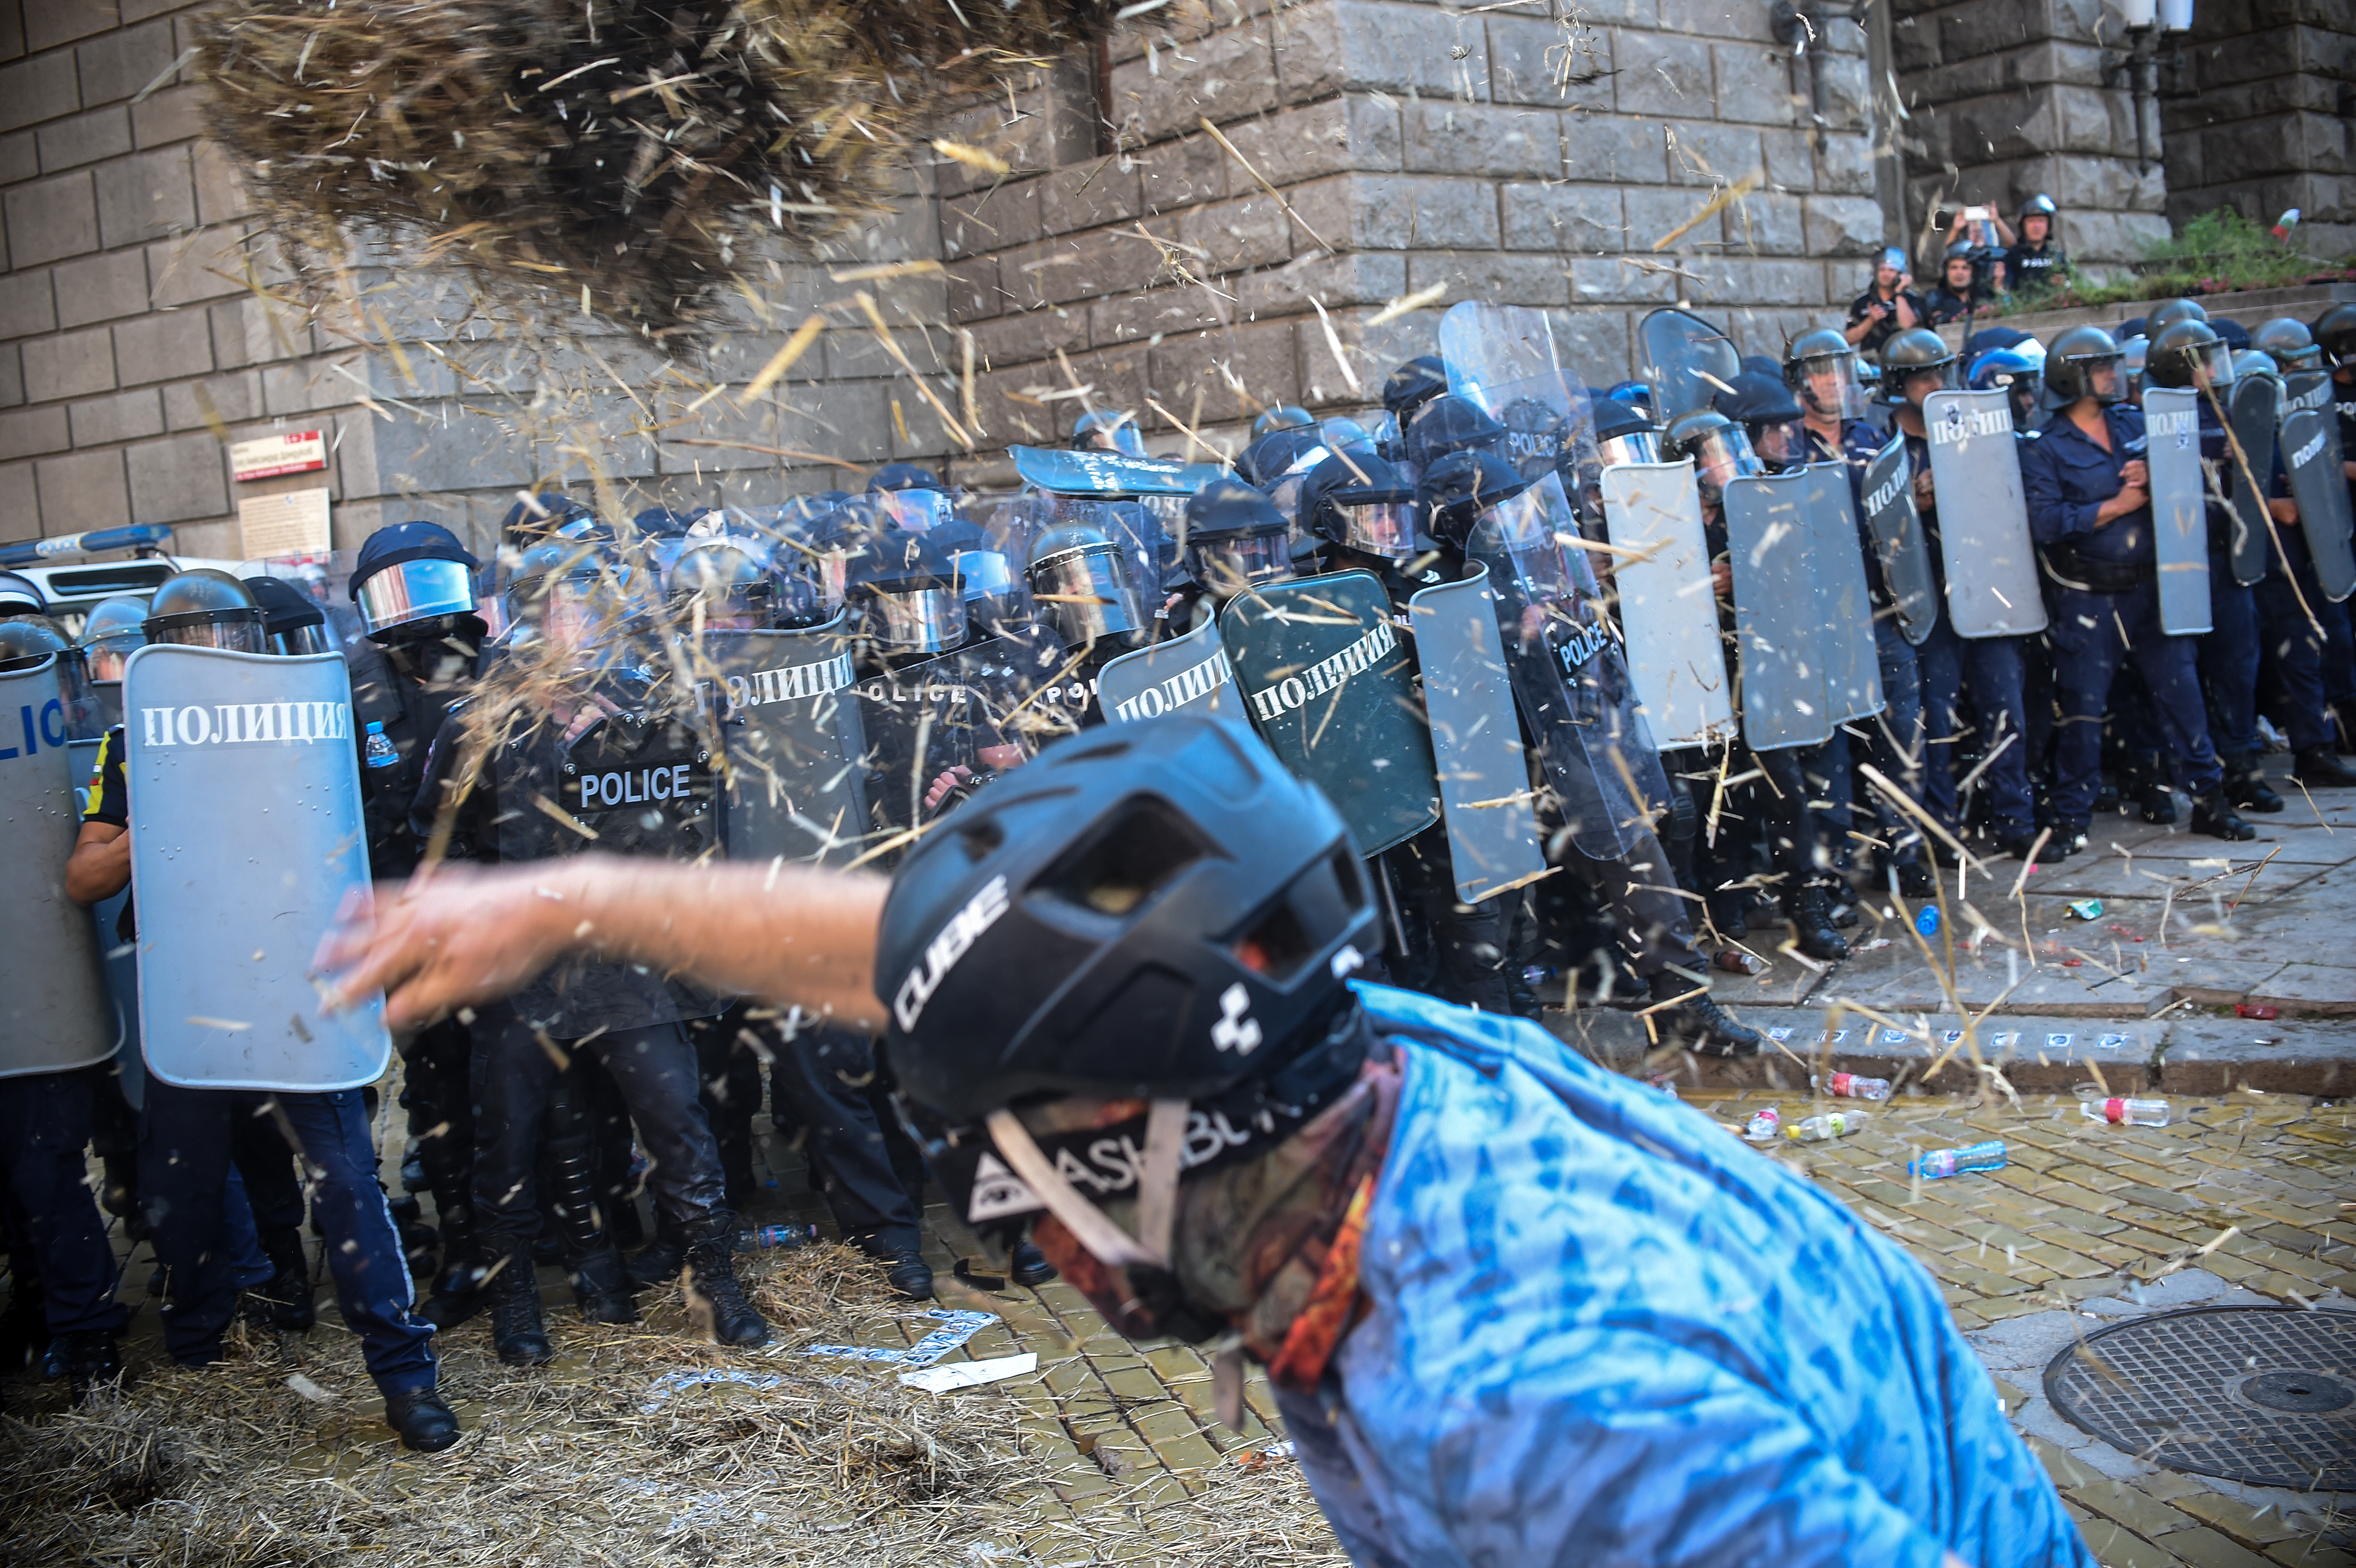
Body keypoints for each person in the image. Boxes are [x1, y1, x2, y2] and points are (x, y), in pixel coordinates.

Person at [321, 715, 2092, 1568]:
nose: (1019, 1226)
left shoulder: (1528, 1413)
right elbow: (936, 964)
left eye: (1005, 1163)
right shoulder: (1359, 1051)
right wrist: (567, 897)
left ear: (1119, 1134)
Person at [66, 570, 458, 1452]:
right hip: (193, 995)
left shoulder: (309, 716)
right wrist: (162, 803)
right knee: (180, 1192)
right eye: (188, 641)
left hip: (295, 987)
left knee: (348, 1183)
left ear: (250, 638)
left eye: (222, 635)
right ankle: (202, 1350)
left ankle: (405, 1375)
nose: (210, 655)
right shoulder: (132, 741)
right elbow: (84, 876)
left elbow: (366, 836)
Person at [404, 540, 769, 1362]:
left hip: (627, 961)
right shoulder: (481, 718)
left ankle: (717, 1282)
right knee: (507, 1137)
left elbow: (704, 813)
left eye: (592, 608)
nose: (580, 627)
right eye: (563, 610)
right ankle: (515, 1303)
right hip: (526, 964)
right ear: (531, 620)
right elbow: (438, 840)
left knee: (677, 1121)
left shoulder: (651, 704)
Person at [2020, 328, 2252, 849]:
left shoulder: (2134, 422)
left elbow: (2185, 473)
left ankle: (2209, 802)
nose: (2114, 374)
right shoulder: (2044, 447)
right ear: (2072, 377)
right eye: (2101, 367)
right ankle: (2071, 818)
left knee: (2182, 697)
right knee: (2082, 711)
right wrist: (2116, 506)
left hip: (2152, 588)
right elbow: (2046, 522)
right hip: (2088, 596)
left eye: (2113, 364)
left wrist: (2155, 473)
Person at [0, 618, 129, 1401]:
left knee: (46, 1170)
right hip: (30, 995)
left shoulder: (78, 736)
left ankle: (86, 1331)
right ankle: (41, 1309)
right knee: (21, 1178)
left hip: (49, 995)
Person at [1882, 329, 2045, 857]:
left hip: (1982, 586)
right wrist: (1910, 503)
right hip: (1928, 600)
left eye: (1940, 373)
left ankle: (2014, 820)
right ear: (1899, 384)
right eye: (1922, 377)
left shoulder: (1969, 430)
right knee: (1937, 721)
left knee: (2005, 711)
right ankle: (1942, 832)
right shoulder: (1884, 447)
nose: (1935, 383)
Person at [1783, 334, 1932, 896]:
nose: (1833, 382)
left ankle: (1903, 853)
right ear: (1799, 381)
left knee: (1900, 741)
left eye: (1839, 371)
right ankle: (1836, 870)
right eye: (1820, 372)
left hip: (1883, 611)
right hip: (1821, 622)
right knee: (1830, 754)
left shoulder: (1874, 438)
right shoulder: (1782, 447)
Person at [1841, 247, 1923, 359]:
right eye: (1882, 270)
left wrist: (1900, 294)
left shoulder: (1912, 299)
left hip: (1904, 360)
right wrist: (1871, 320)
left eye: (1892, 270)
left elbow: (1908, 326)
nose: (1886, 274)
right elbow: (1848, 339)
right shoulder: (1862, 301)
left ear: (1900, 274)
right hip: (1872, 362)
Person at [2002, 194, 2068, 298]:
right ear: (2023, 225)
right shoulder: (2013, 256)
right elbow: (2006, 291)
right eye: (2031, 221)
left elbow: (2074, 286)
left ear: (2049, 225)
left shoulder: (2057, 256)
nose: (2036, 226)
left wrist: (2064, 285)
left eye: (2041, 221)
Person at [1924, 243, 2002, 327]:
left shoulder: (1984, 294)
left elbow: (2006, 311)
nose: (1959, 273)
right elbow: (1939, 320)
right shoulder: (1936, 297)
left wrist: (1998, 287)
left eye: (1965, 268)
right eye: (1954, 268)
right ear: (1946, 272)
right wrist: (1975, 315)